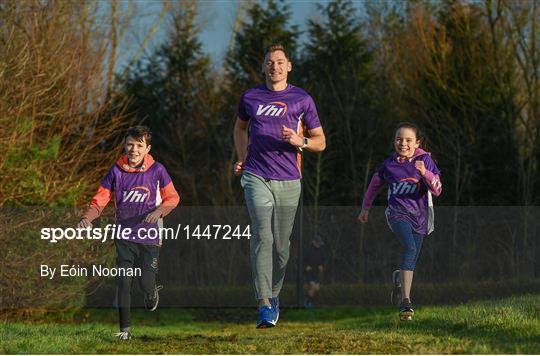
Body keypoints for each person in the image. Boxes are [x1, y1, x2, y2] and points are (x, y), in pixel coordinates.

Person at [233, 44, 326, 328]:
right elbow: (239, 128)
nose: (274, 66)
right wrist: (241, 158)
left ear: (289, 66)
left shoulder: (302, 99)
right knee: (263, 235)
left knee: (282, 245)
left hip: (289, 180)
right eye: (269, 62)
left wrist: (301, 142)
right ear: (263, 67)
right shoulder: (250, 97)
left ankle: (274, 296)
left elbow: (321, 141)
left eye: (280, 62)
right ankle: (263, 303)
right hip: (256, 175)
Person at [77, 126, 180, 340]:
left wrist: (159, 211)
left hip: (150, 237)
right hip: (124, 236)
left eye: (139, 146)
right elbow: (100, 200)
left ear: (147, 148)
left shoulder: (157, 170)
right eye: (130, 144)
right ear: (124, 146)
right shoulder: (116, 171)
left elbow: (173, 198)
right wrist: (87, 217)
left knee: (145, 282)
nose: (134, 149)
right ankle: (125, 330)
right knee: (124, 281)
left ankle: (152, 292)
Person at [357, 122, 442, 321]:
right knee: (410, 248)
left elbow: (438, 190)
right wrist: (365, 208)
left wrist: (425, 173)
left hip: (421, 217)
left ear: (417, 142)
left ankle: (399, 280)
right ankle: (406, 302)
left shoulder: (425, 160)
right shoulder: (388, 164)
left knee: (412, 257)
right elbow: (373, 186)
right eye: (399, 139)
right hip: (397, 214)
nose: (403, 143)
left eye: (408, 140)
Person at [304, 235, 326, 308]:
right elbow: (303, 259)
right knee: (312, 287)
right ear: (313, 242)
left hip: (317, 273)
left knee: (316, 288)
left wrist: (322, 266)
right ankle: (308, 303)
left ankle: (309, 300)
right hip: (310, 272)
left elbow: (323, 260)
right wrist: (306, 266)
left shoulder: (321, 250)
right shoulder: (308, 249)